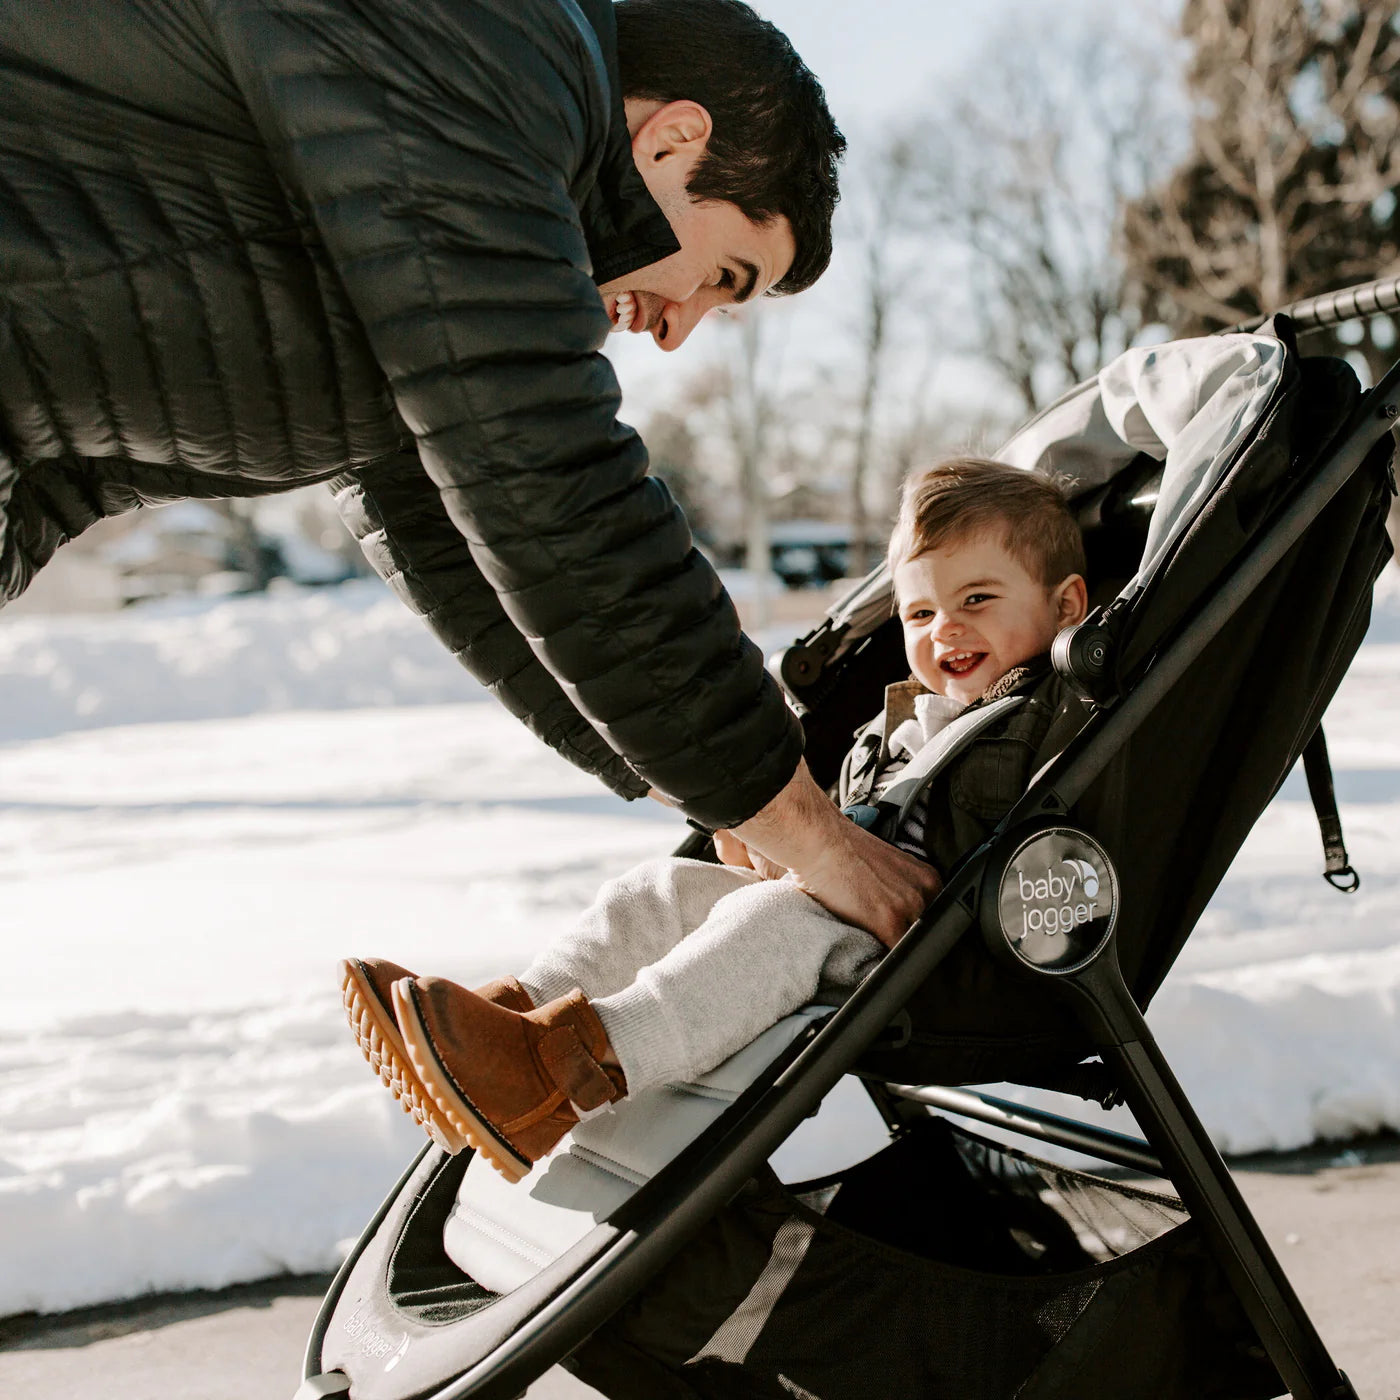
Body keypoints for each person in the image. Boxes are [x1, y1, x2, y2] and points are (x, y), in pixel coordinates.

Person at [0, 0, 936, 943]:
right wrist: (796, 817)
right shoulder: (489, 33)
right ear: (674, 143)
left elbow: (457, 531)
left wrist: (696, 778)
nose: (678, 326)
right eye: (725, 277)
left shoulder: (411, 239)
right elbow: (536, 453)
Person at [340, 459, 1091, 1180]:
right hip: (842, 912)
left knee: (769, 922)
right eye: (920, 611)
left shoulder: (1054, 714)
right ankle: (509, 1025)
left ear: (1066, 608)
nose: (943, 631)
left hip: (938, 953)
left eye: (978, 601)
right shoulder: (901, 720)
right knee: (658, 889)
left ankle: (564, 1075)